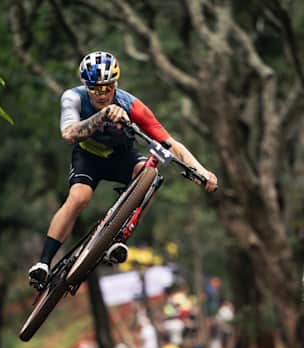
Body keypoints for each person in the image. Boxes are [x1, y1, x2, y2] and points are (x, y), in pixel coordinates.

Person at [28, 51, 218, 287]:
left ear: (115, 84)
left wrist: (202, 172)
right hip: (89, 156)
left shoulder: (131, 105)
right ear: (86, 86)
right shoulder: (72, 98)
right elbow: (68, 134)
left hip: (122, 156)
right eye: (96, 89)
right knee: (79, 198)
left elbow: (170, 143)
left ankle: (119, 238)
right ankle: (43, 263)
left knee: (148, 174)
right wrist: (102, 116)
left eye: (108, 87)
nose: (103, 94)